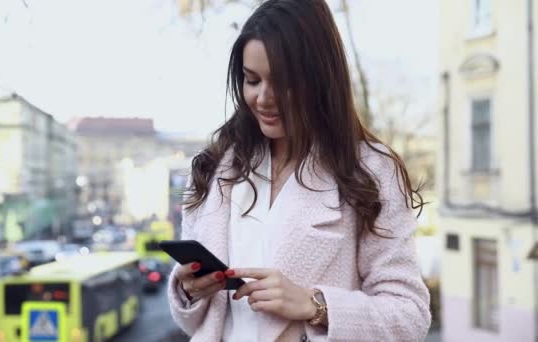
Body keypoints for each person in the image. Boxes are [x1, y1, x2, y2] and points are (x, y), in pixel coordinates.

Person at [167, 0, 431, 341]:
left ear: (320, 78)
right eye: (251, 80)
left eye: (283, 82)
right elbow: (198, 323)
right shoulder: (214, 167)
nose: (263, 98)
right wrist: (190, 290)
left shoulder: (371, 171)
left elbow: (410, 316)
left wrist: (315, 305)